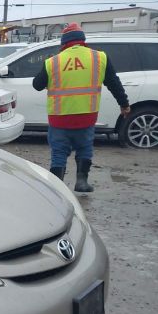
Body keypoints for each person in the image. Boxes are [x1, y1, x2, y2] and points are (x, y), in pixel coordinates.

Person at [32, 23, 131, 192]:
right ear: (82, 40)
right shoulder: (99, 58)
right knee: (85, 147)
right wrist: (124, 104)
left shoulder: (53, 62)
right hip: (86, 116)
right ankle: (82, 182)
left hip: (59, 117)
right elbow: (114, 83)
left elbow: (37, 85)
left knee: (59, 153)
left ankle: (57, 189)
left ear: (63, 43)